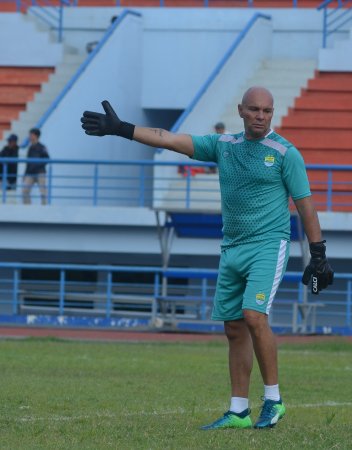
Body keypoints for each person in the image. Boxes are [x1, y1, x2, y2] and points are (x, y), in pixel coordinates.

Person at [80, 87, 334, 430]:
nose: (261, 116)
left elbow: (306, 205)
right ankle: (238, 410)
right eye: (254, 109)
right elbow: (169, 139)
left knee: (254, 315)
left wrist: (318, 254)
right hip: (232, 248)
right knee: (233, 328)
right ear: (241, 111)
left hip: (268, 246)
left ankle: (273, 400)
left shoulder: (286, 154)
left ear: (272, 113)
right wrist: (122, 128)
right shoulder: (223, 146)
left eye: (267, 111)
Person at [22, 128, 50, 205]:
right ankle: (27, 209)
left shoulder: (42, 147)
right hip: (30, 173)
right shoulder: (30, 148)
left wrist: (38, 166)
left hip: (40, 172)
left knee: (43, 192)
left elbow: (47, 159)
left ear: (36, 136)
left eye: (31, 135)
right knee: (25, 191)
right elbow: (27, 162)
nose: (29, 137)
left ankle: (45, 209)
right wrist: (25, 174)